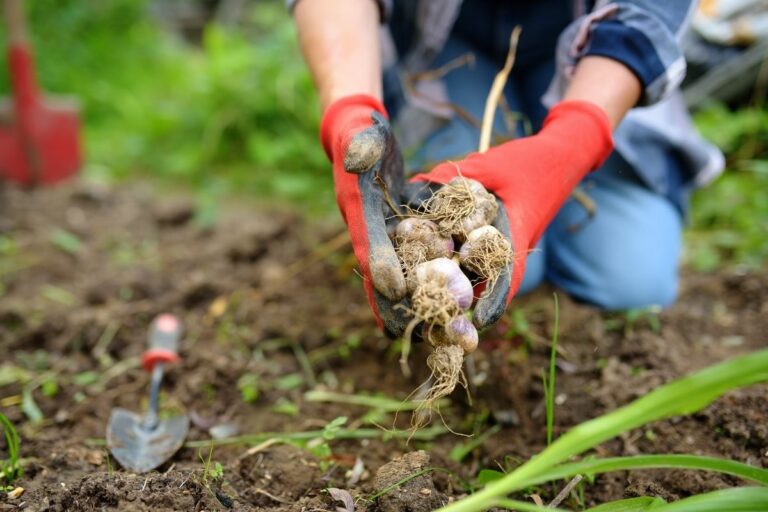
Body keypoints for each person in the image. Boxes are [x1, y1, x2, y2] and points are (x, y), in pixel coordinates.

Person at [290, 0, 724, 338]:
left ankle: (561, 172)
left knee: (632, 283)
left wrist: (572, 142)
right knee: (493, 259)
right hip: (450, 43)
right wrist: (349, 108)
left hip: (594, 49)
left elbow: (651, 11)